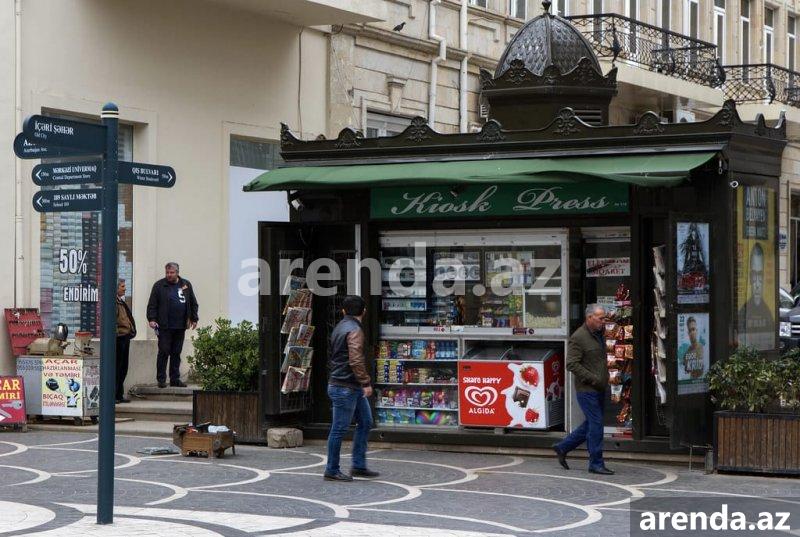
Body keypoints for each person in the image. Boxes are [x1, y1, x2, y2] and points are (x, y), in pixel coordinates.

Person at [552, 304, 614, 475]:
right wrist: (592, 378)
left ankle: (563, 447)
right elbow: (571, 364)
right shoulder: (578, 337)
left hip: (599, 387)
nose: (603, 321)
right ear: (589, 318)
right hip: (587, 389)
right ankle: (596, 463)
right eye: (600, 318)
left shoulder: (599, 334)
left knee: (591, 423)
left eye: (604, 318)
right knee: (596, 424)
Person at [324, 295, 378, 482]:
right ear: (364, 311)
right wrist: (366, 382)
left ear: (343, 311)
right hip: (346, 386)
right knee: (339, 429)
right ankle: (332, 469)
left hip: (344, 384)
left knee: (365, 421)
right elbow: (355, 360)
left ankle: (358, 465)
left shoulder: (339, 327)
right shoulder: (355, 330)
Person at [146, 262, 199, 388]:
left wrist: (194, 318)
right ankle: (161, 379)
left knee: (176, 353)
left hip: (180, 326)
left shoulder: (185, 284)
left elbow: (193, 302)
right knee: (164, 352)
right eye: (167, 273)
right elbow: (152, 304)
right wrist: (152, 319)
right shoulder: (159, 285)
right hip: (164, 326)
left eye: (172, 273)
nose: (169, 275)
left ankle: (175, 379)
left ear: (177, 273)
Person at [737, 243, 774, 348]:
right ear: (750, 278)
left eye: (760, 276)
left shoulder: (768, 314)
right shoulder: (743, 312)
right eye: (754, 275)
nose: (757, 284)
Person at [115, 279, 136, 404]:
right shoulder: (114, 303)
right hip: (119, 338)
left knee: (123, 367)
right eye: (122, 286)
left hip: (125, 337)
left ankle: (119, 394)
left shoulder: (121, 302)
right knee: (117, 367)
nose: (125, 289)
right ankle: (114, 395)